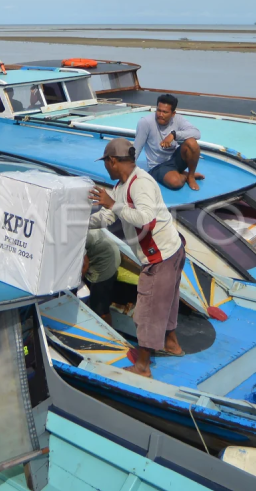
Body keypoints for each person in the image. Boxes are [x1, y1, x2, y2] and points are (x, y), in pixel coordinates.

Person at [89, 138, 186, 378]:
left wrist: (113, 205)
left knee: (147, 311)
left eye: (105, 163)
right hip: (173, 248)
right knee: (168, 302)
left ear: (113, 161)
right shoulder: (123, 185)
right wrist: (80, 223)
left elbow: (145, 219)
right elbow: (108, 217)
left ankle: (142, 367)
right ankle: (171, 344)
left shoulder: (140, 184)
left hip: (159, 257)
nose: (105, 168)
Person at [134, 94, 204, 191]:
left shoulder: (178, 119)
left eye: (165, 112)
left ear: (173, 113)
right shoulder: (145, 122)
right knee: (176, 182)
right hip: (157, 165)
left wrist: (173, 135)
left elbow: (197, 133)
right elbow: (136, 149)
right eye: (159, 110)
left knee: (192, 143)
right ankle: (184, 175)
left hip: (175, 160)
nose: (160, 115)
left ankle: (191, 176)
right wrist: (128, 173)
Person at [82, 229, 121, 325]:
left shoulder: (79, 238)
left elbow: (85, 265)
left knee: (99, 307)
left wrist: (77, 282)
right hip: (112, 257)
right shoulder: (85, 226)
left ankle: (107, 335)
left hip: (104, 266)